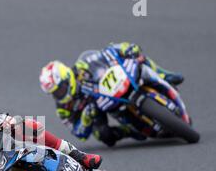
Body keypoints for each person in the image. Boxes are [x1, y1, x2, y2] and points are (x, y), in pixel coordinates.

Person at [39, 42, 185, 146]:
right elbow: (79, 133)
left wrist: (126, 49)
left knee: (137, 58)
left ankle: (164, 75)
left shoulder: (83, 65)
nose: (59, 94)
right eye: (55, 93)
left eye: (60, 89)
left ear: (67, 78)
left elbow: (109, 51)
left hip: (116, 83)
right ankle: (130, 131)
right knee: (103, 135)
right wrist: (86, 117)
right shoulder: (62, 107)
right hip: (102, 106)